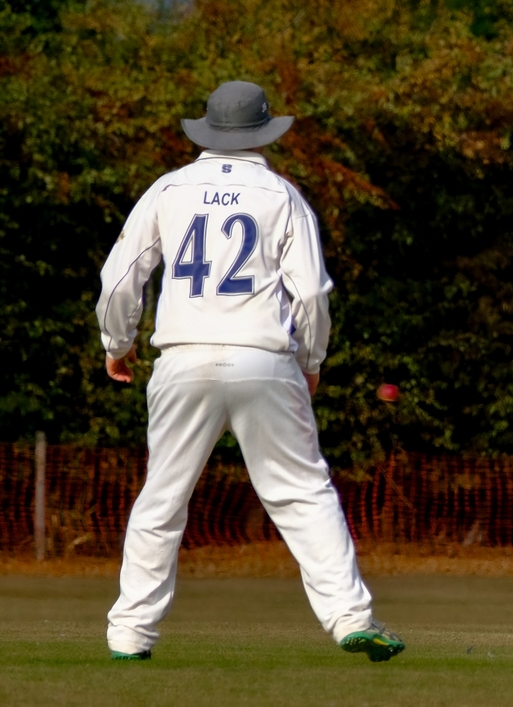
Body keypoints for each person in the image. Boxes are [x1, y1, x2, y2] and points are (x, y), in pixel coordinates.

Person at [96, 81, 404, 662]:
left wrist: (117, 342)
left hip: (182, 357)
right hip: (265, 359)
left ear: (207, 132)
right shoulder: (282, 195)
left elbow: (120, 277)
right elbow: (311, 293)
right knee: (304, 494)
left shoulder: (168, 189)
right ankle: (349, 619)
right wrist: (311, 361)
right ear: (265, 132)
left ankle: (130, 635)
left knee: (162, 499)